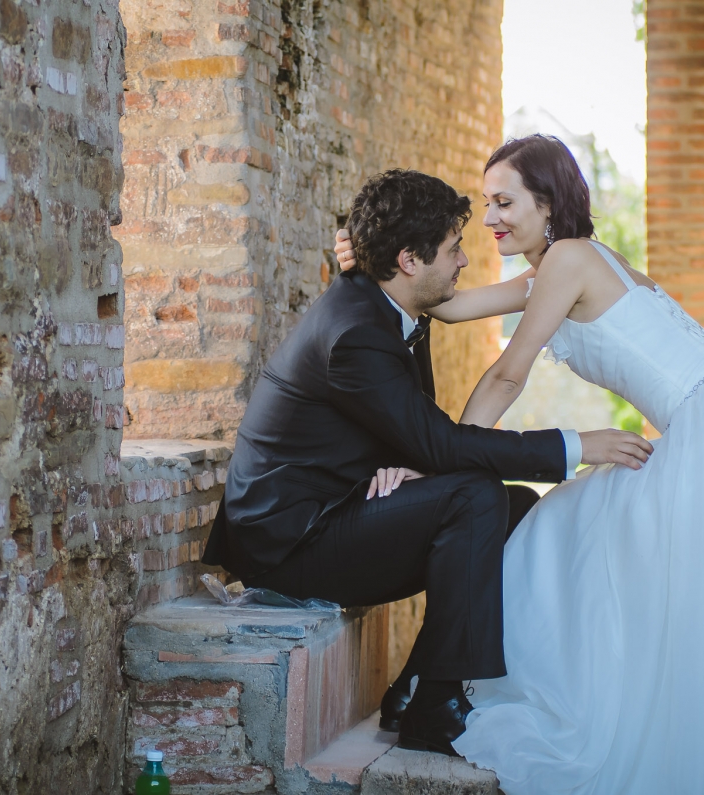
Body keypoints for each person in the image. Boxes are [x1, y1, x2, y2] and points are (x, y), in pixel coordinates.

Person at [335, 134, 704, 792]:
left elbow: (507, 375)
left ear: (547, 201)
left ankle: (444, 686)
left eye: (504, 202)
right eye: (487, 203)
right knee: (581, 532)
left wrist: (441, 459)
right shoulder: (558, 267)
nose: (491, 219)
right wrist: (369, 262)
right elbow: (444, 303)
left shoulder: (567, 259)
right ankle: (433, 684)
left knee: (573, 538)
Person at [201, 168, 654, 756]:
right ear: (409, 260)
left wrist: (413, 465)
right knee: (475, 495)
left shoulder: (386, 306)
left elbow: (418, 436)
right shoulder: (357, 330)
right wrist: (574, 446)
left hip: (334, 507)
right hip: (290, 543)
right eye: (453, 249)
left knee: (513, 504)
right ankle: (435, 710)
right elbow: (440, 443)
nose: (464, 261)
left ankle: (416, 686)